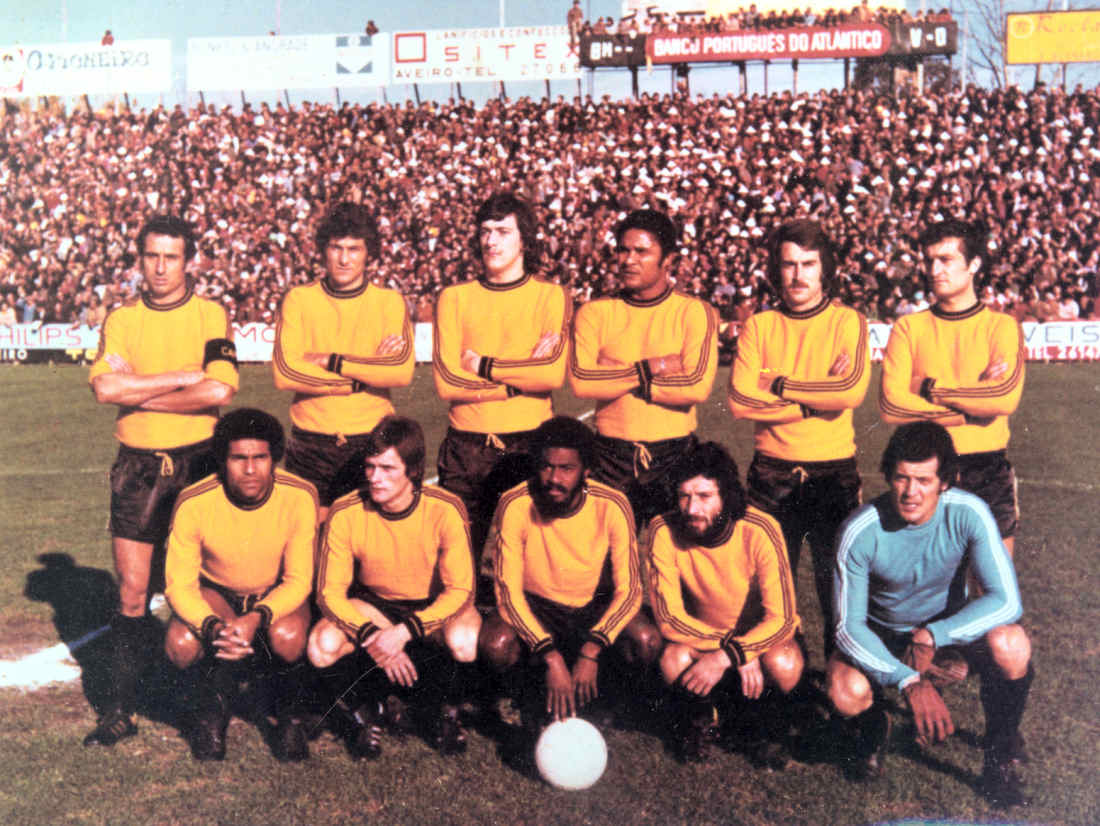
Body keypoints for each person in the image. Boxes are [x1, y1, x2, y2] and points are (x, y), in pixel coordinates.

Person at [85, 215, 238, 746]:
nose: (161, 267)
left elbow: (219, 390)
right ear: (140, 259)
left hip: (200, 463)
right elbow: (105, 389)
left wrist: (140, 392)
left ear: (189, 261)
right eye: (151, 255)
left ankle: (205, 711)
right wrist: (178, 378)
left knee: (204, 587)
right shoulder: (122, 319)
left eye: (171, 257)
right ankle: (120, 710)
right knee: (132, 592)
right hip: (139, 465)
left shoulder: (211, 315)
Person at [828, 422, 1032, 807]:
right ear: (888, 476)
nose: (911, 492)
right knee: (845, 690)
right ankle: (875, 726)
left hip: (944, 635)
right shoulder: (860, 530)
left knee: (1011, 643)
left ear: (945, 482)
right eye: (901, 478)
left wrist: (934, 635)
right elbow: (847, 628)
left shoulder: (969, 512)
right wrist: (907, 680)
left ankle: (999, 757)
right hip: (886, 636)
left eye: (923, 480)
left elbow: (1007, 601)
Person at [728, 220, 869, 656]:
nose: (798, 275)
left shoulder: (847, 321)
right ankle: (788, 688)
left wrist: (779, 384)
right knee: (771, 599)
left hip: (833, 475)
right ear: (776, 269)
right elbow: (740, 401)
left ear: (825, 268)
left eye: (808, 264)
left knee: (839, 597)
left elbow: (850, 392)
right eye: (789, 264)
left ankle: (843, 686)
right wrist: (814, 400)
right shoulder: (760, 326)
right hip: (771, 475)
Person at [309, 416, 478, 758]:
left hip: (432, 604)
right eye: (370, 467)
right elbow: (329, 593)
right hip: (377, 606)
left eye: (387, 468)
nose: (375, 477)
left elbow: (461, 590)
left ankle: (446, 710)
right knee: (321, 646)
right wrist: (372, 634)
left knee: (464, 641)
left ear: (413, 471)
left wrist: (404, 633)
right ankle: (365, 712)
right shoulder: (346, 511)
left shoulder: (445, 508)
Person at [478, 416, 655, 730]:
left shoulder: (613, 504)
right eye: (546, 466)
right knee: (496, 643)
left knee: (646, 640)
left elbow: (629, 591)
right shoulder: (515, 503)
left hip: (592, 607)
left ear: (586, 471)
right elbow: (508, 594)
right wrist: (550, 656)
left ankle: (609, 699)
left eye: (566, 469)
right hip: (538, 606)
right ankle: (527, 696)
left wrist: (592, 649)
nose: (554, 478)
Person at [433, 192, 571, 584]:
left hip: (530, 444)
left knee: (531, 573)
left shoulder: (551, 296)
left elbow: (551, 376)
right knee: (455, 572)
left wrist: (482, 366)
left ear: (524, 239)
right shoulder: (454, 298)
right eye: (485, 231)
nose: (491, 241)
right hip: (465, 446)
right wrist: (516, 382)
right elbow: (447, 383)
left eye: (503, 231)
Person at [163, 409, 316, 761]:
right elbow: (179, 586)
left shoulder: (299, 495)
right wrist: (214, 626)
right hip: (219, 595)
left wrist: (256, 618)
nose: (250, 469)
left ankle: (289, 716)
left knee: (288, 637)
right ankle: (210, 713)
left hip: (273, 594)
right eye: (239, 459)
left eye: (260, 458)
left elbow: (298, 580)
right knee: (180, 644)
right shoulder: (194, 501)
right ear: (222, 460)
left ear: (274, 459)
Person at [649, 442, 804, 765]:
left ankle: (765, 727)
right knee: (672, 658)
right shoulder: (663, 529)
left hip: (759, 641)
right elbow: (668, 618)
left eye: (704, 496)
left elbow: (783, 618)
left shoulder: (760, 529)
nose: (692, 508)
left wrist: (733, 653)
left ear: (727, 496)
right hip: (705, 639)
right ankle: (701, 720)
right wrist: (728, 650)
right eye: (684, 496)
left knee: (785, 662)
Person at [880, 218, 1025, 557]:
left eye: (945, 260)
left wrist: (927, 387)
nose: (934, 270)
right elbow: (891, 405)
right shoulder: (908, 328)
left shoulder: (1002, 327)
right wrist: (971, 408)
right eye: (929, 260)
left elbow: (1003, 398)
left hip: (987, 469)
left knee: (994, 582)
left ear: (974, 264)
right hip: (924, 470)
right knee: (926, 583)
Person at [570, 209, 719, 530]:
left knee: (675, 555)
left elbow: (695, 387)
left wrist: (617, 373)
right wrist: (654, 367)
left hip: (674, 457)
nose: (628, 260)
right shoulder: (595, 313)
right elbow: (582, 382)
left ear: (669, 260)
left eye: (641, 251)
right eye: (623, 250)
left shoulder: (695, 313)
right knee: (603, 557)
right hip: (609, 457)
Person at [273, 201, 414, 520]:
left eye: (354, 249)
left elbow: (400, 372)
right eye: (336, 248)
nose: (344, 258)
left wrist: (331, 361)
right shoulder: (299, 300)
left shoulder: (389, 302)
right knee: (311, 537)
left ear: (368, 253)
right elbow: (285, 373)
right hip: (310, 441)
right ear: (323, 250)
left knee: (368, 535)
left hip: (372, 439)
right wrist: (363, 375)